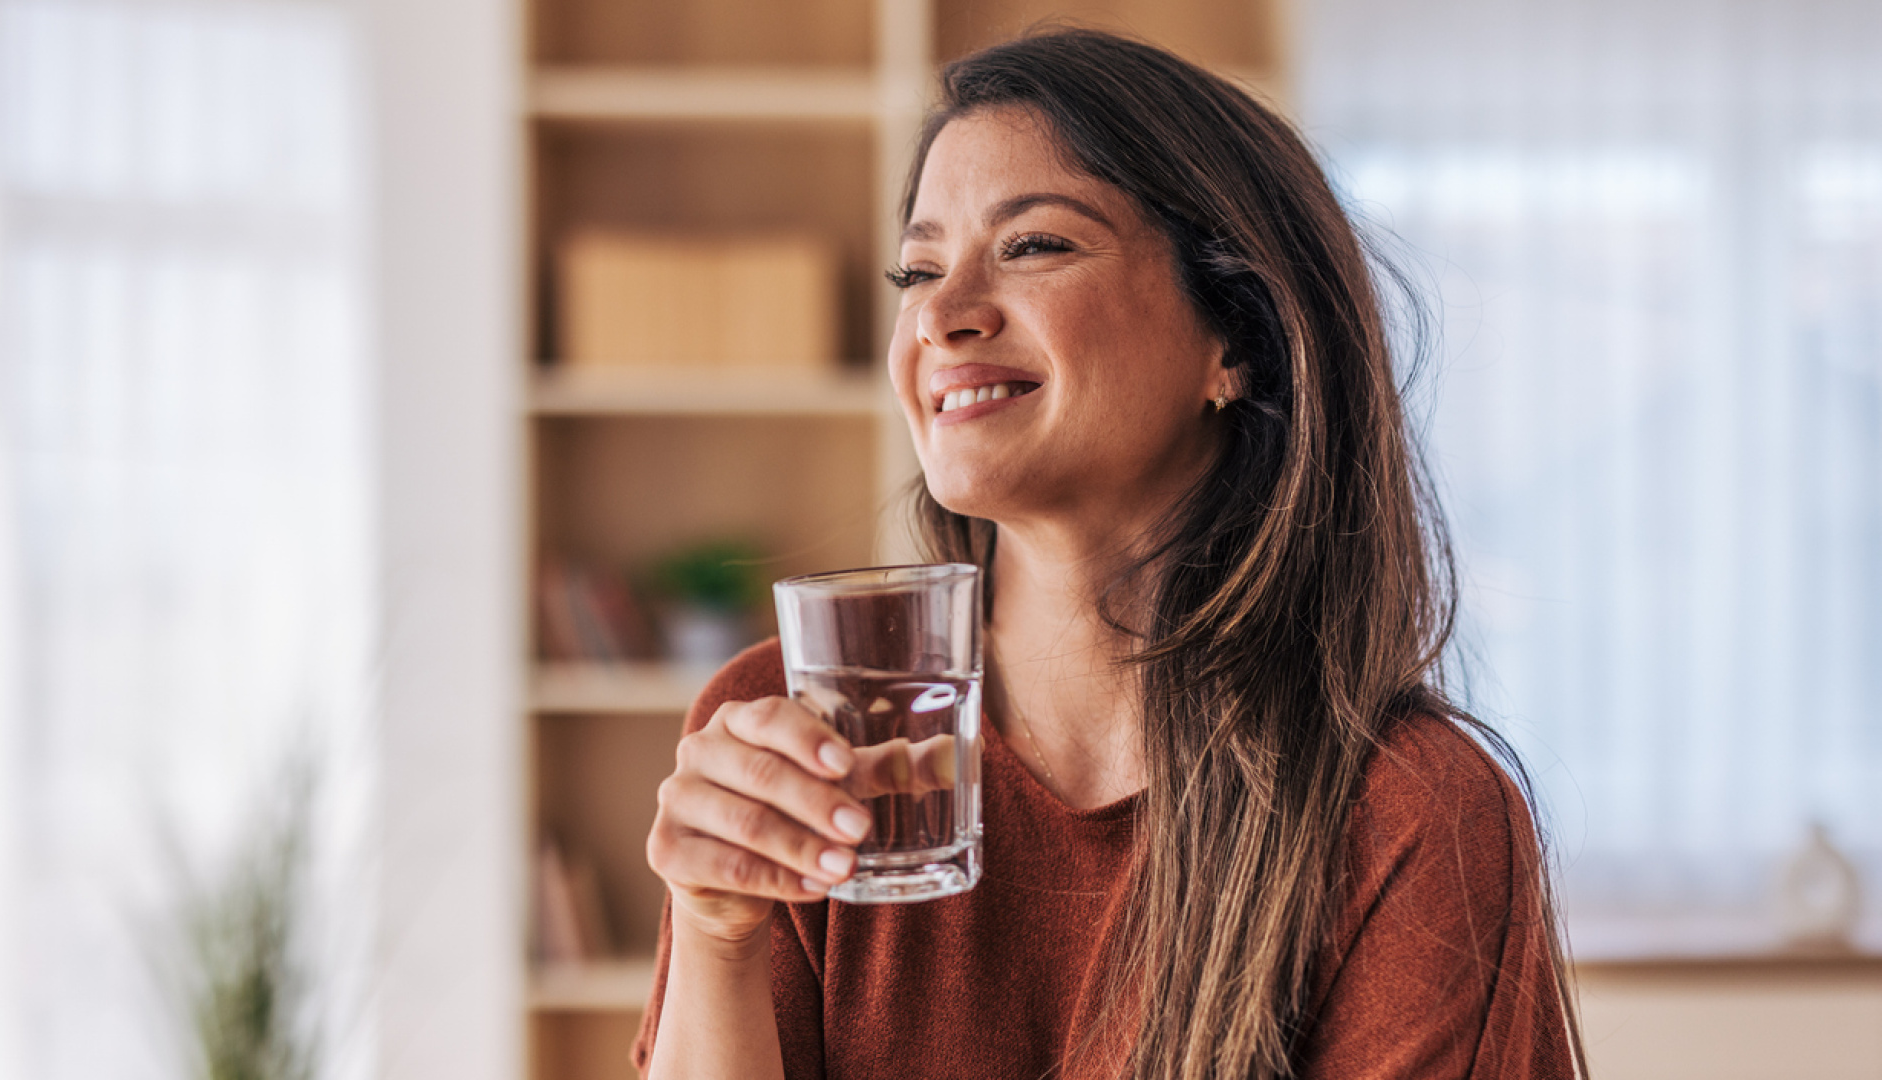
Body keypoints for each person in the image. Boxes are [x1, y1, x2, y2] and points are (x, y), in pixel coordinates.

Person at [636, 27, 1582, 1080]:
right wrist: (717, 934)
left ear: (1238, 338)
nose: (941, 317)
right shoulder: (786, 723)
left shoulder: (1409, 812)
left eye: (1036, 245)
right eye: (917, 267)